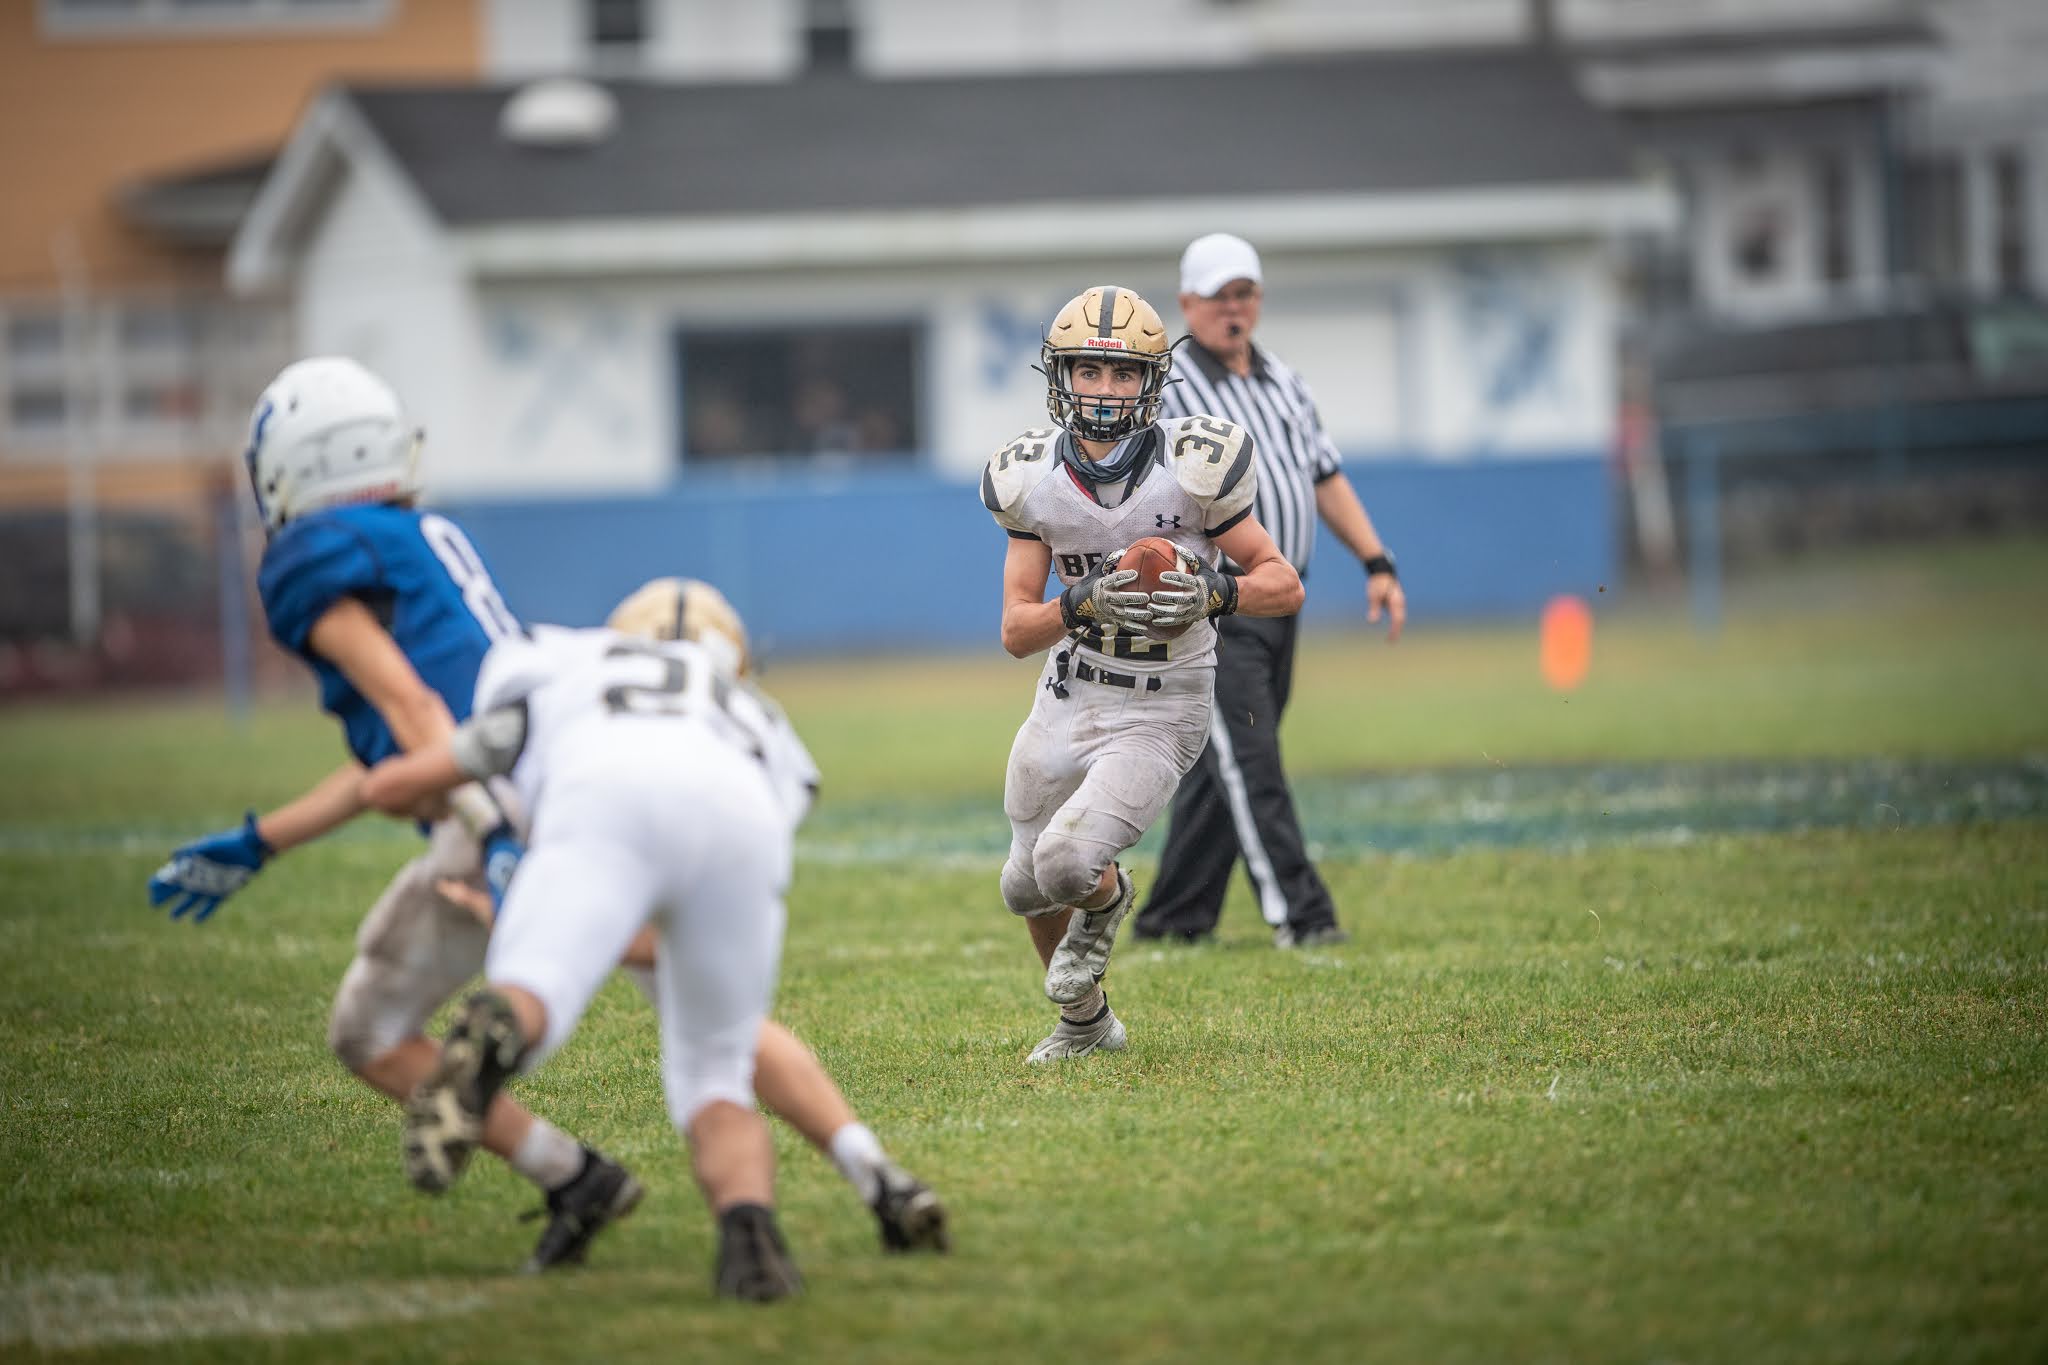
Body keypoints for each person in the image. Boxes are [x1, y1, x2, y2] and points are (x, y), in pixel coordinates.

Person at [145, 359, 943, 1271]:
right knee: (707, 1023)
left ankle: (573, 1174)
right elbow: (413, 747)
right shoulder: (424, 539)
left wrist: (493, 839)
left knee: (372, 1030)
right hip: (571, 773)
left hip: (517, 800)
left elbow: (418, 720)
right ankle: (868, 1174)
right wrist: (264, 838)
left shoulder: (314, 559)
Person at [356, 595, 828, 1300]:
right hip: (740, 817)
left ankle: (503, 1027)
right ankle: (749, 1235)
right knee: (715, 1070)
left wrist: (387, 789)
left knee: (538, 981)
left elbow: (456, 762)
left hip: (600, 792)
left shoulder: (562, 660)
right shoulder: (762, 716)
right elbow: (775, 817)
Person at [981, 285, 1303, 1062]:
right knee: (1023, 885)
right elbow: (1017, 629)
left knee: (1066, 863)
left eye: (1123, 374)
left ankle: (1111, 895)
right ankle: (1088, 1025)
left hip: (1162, 705)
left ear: (1152, 382)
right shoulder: (1030, 479)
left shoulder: (1196, 468)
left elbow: (1282, 582)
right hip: (1070, 689)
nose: (1103, 390)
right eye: (1089, 372)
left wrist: (1218, 590)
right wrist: (1081, 601)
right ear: (1061, 377)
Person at [1130, 234, 1407, 950]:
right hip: (1214, 606)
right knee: (1253, 762)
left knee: (1226, 763)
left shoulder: (1283, 379)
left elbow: (1323, 474)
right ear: (1187, 303)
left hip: (1281, 600)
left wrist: (1376, 559)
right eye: (1219, 295)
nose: (1234, 307)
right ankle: (1303, 915)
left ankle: (1174, 917)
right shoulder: (1168, 387)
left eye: (1245, 292)